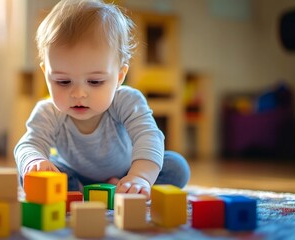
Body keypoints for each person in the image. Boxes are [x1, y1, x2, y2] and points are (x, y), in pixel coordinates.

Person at [14, 0, 190, 199]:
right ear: (46, 73)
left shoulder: (127, 100)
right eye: (63, 81)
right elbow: (29, 144)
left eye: (95, 81)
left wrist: (140, 176)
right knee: (29, 175)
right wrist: (34, 161)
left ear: (119, 76)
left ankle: (123, 186)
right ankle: (81, 189)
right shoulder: (49, 111)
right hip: (73, 173)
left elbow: (148, 136)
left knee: (177, 167)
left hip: (126, 171)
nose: (78, 93)